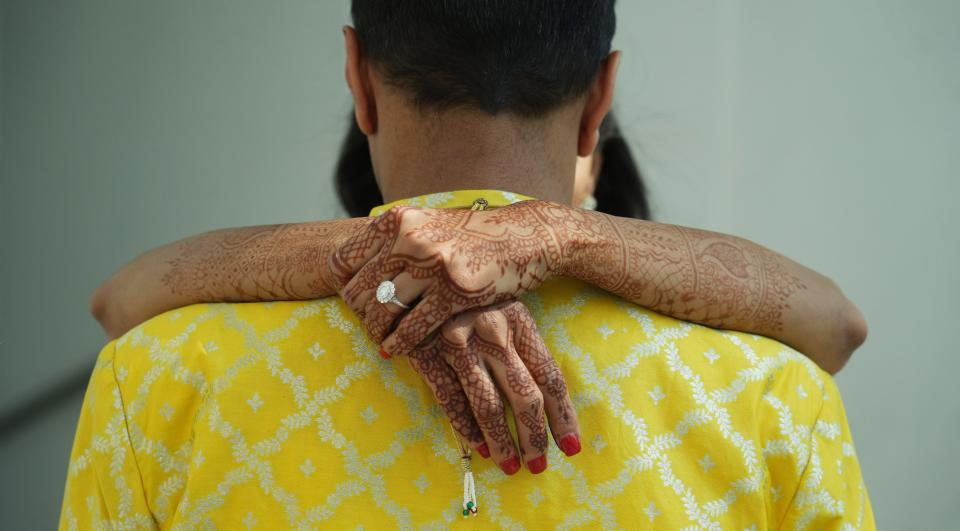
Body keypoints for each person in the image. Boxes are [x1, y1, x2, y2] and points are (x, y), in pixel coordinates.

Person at [61, 1, 874, 528]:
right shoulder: (776, 395)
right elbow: (840, 326)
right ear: (601, 99)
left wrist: (541, 235)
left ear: (359, 81)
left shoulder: (154, 379)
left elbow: (116, 300)